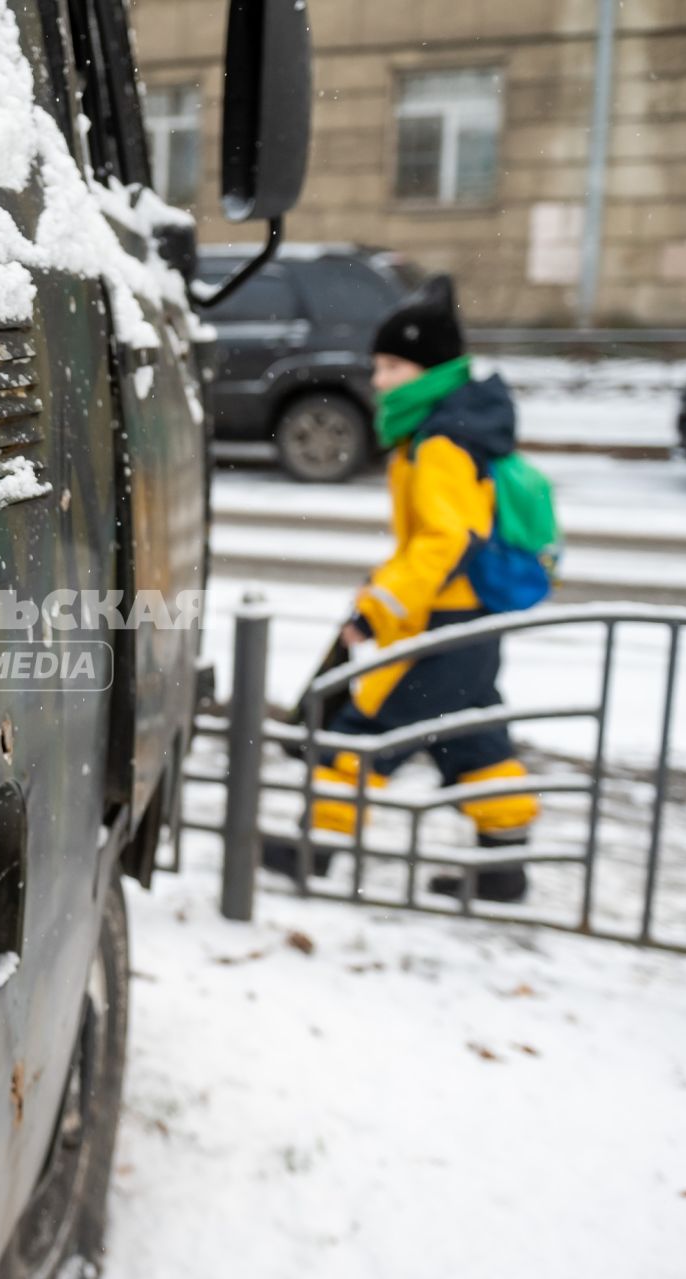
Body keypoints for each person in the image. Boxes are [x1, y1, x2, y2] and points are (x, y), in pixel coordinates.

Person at [263, 276, 539, 902]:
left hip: (442, 623)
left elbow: (447, 539)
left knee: (366, 733)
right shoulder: (450, 427)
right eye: (378, 363)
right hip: (469, 621)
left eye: (392, 364)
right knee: (473, 738)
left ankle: (316, 851)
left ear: (430, 369)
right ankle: (505, 864)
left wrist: (379, 609)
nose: (379, 377)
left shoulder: (440, 442)